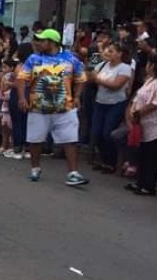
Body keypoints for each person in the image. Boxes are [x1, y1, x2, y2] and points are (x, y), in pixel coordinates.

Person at [16, 28, 89, 185]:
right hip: (38, 107)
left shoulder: (71, 59)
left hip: (65, 107)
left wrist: (76, 97)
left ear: (52, 42)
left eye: (42, 40)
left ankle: (73, 173)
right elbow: (21, 78)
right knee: (35, 140)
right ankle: (35, 169)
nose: (38, 43)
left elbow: (81, 78)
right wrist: (22, 97)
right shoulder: (33, 58)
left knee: (70, 140)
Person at [90, 41, 132, 173]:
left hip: (116, 103)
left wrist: (98, 79)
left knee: (107, 132)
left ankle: (111, 161)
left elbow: (116, 85)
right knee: (97, 132)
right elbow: (90, 77)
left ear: (119, 54)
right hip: (100, 101)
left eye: (111, 51)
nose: (107, 53)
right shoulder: (102, 65)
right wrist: (98, 80)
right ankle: (104, 160)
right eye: (107, 51)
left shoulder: (125, 68)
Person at [125, 54, 157, 196]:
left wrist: (138, 114)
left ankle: (148, 186)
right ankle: (140, 182)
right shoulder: (150, 80)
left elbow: (155, 104)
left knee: (152, 157)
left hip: (156, 126)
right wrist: (132, 111)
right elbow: (138, 97)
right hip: (142, 125)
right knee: (142, 154)